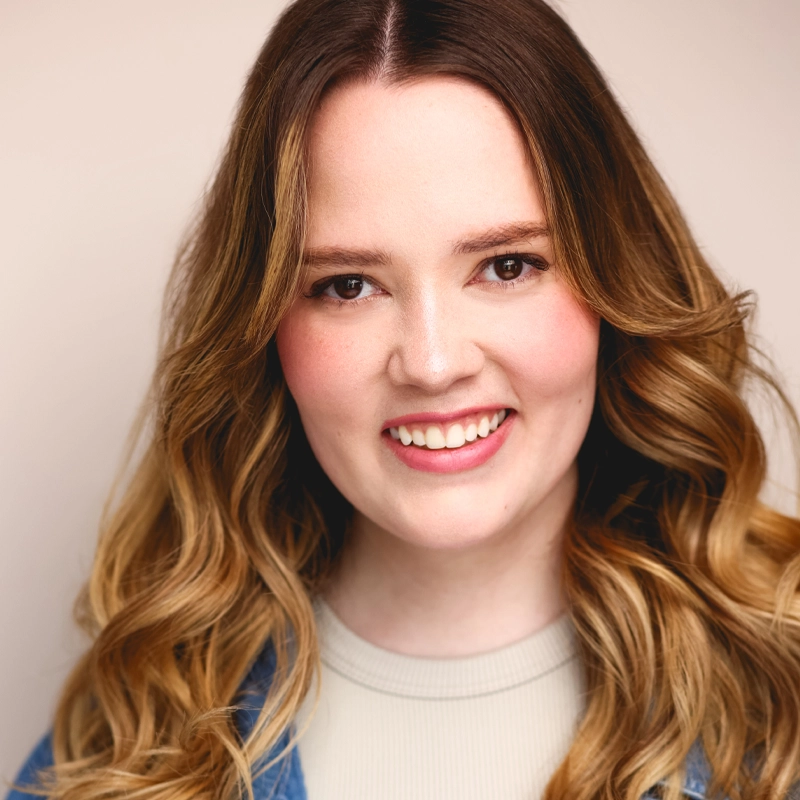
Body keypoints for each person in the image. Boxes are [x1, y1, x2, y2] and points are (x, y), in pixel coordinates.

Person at [7, 0, 800, 798]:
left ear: (616, 281)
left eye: (507, 266)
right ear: (264, 328)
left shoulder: (784, 693)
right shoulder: (123, 747)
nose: (431, 362)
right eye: (348, 285)